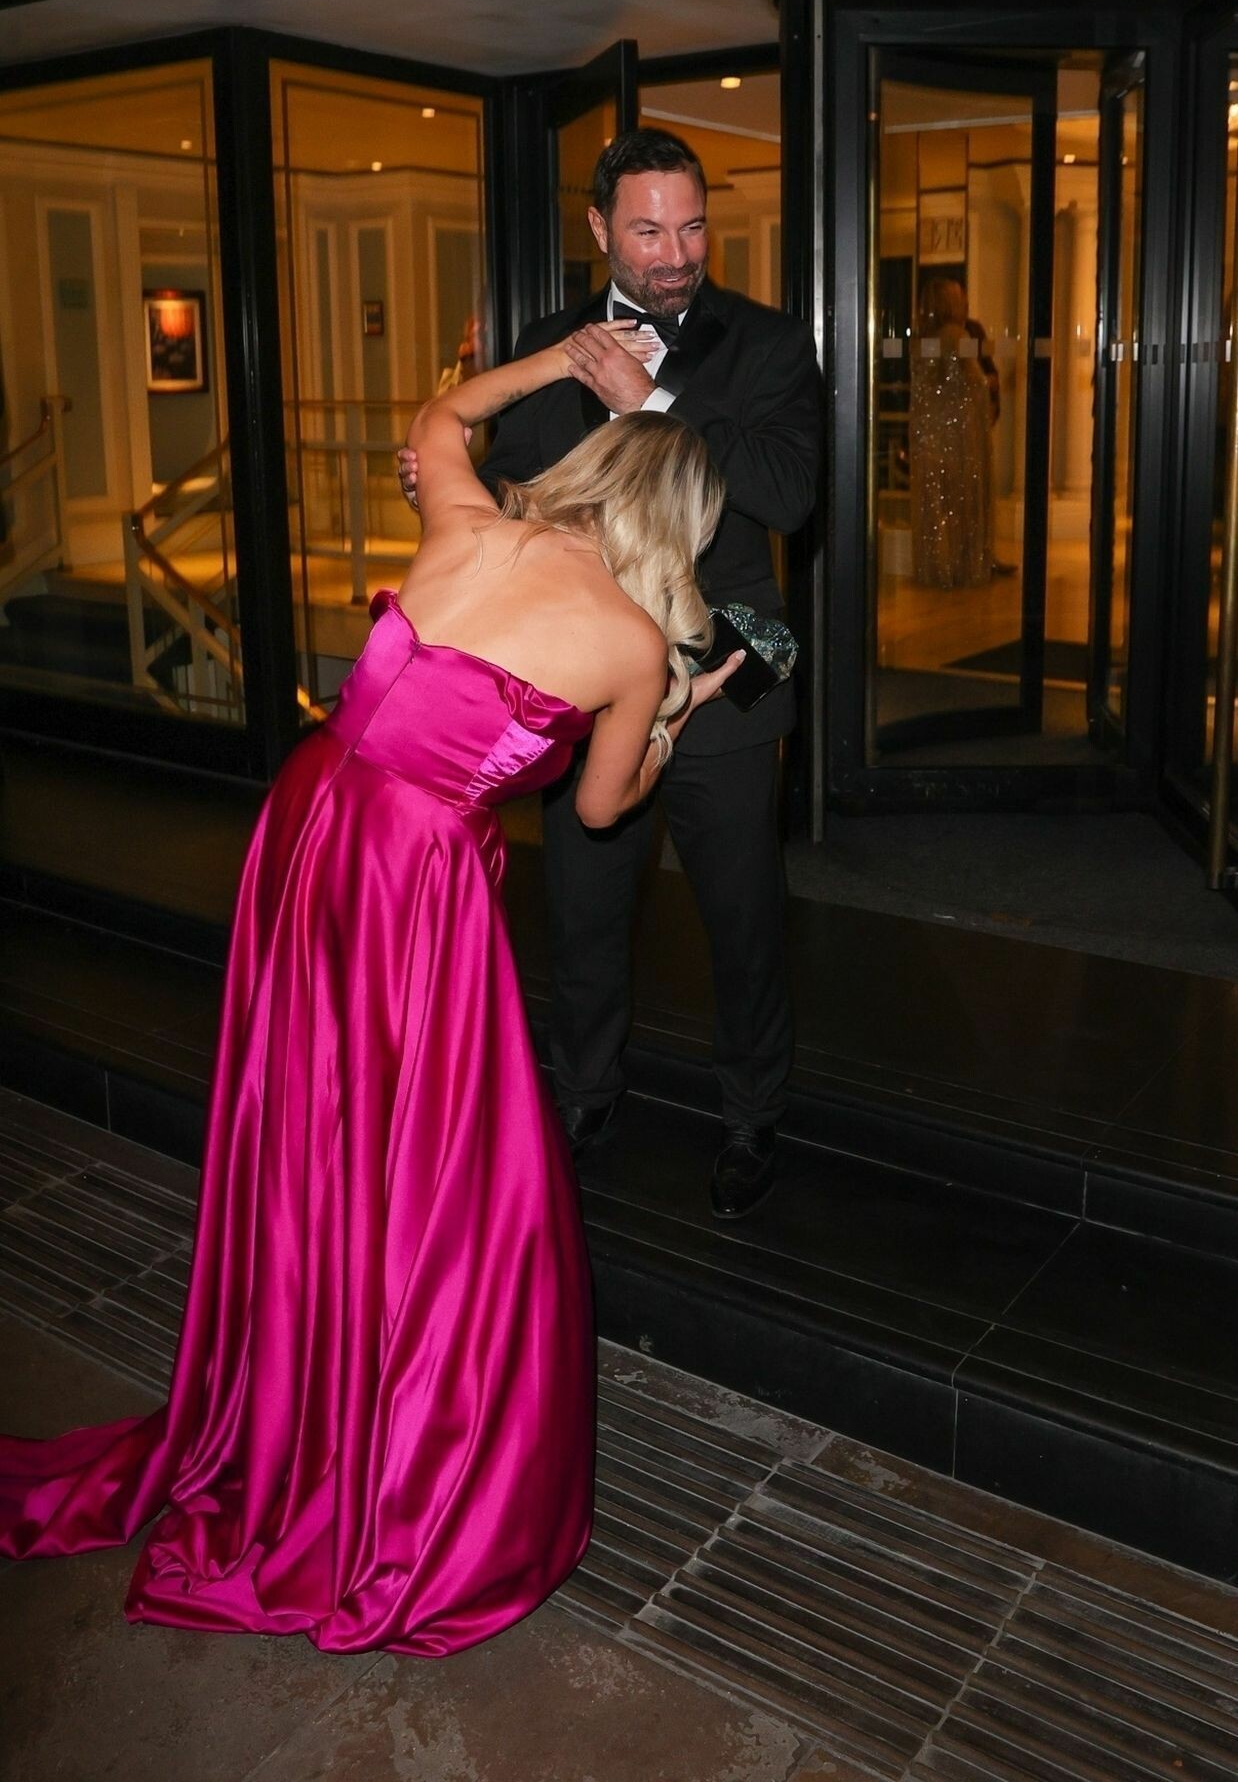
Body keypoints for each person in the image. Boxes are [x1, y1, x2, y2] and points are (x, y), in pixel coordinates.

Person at [0, 330, 742, 1657]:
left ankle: (303, 1352)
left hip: (310, 815)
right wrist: (675, 723)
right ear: (675, 527)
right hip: (410, 878)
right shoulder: (634, 646)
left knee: (311, 1106)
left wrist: (547, 365)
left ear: (589, 469)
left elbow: (437, 418)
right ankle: (392, 1444)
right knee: (452, 1167)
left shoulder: (465, 521)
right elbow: (600, 809)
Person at [403, 129, 822, 1220]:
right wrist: (439, 487)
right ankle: (584, 1095)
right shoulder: (548, 345)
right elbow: (514, 492)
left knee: (743, 919)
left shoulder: (769, 343)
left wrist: (655, 399)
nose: (675, 253)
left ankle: (752, 1115)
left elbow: (788, 497)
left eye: (691, 227)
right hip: (579, 681)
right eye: (646, 230)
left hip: (722, 680)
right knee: (584, 910)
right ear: (598, 228)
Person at [909, 276, 995, 589]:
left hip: (928, 429)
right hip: (956, 433)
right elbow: (976, 381)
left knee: (934, 500)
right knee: (959, 499)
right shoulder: (956, 336)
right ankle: (961, 567)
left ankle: (936, 567)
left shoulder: (921, 338)